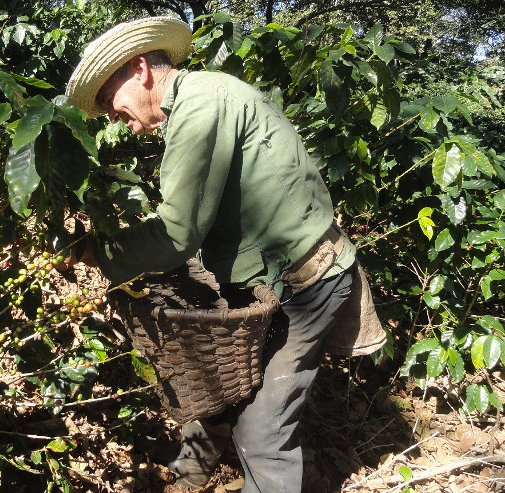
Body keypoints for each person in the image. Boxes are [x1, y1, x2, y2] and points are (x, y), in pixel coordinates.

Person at [65, 16, 386, 492]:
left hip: (305, 283)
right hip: (267, 276)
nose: (111, 117)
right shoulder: (201, 99)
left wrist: (95, 250)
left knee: (261, 431)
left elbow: (177, 232)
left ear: (139, 70)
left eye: (108, 100)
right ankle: (190, 473)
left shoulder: (200, 108)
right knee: (216, 382)